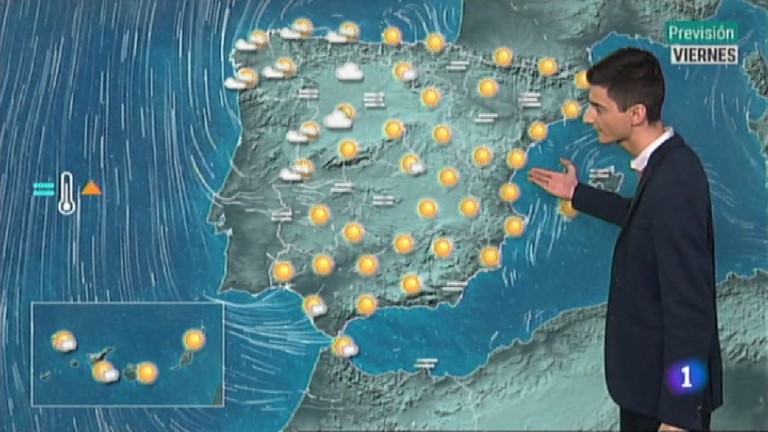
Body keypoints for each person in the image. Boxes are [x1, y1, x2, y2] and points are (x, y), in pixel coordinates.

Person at [527, 47, 723, 431]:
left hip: (665, 404)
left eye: (598, 108)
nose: (589, 117)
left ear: (635, 114)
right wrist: (578, 193)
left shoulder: (675, 182)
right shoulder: (666, 167)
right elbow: (647, 219)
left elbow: (691, 309)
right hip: (647, 389)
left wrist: (679, 416)